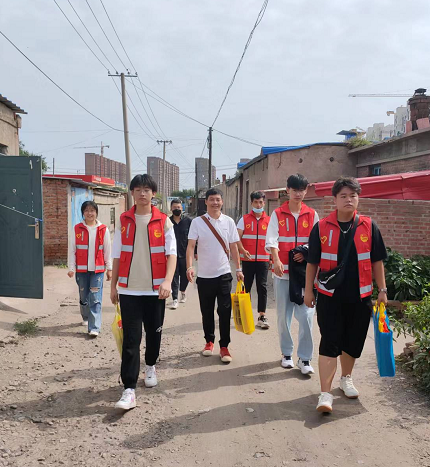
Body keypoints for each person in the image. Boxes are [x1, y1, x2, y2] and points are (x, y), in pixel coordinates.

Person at [304, 176, 388, 413]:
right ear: (335, 199)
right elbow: (312, 262)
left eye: (353, 195)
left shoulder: (369, 226)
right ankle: (325, 393)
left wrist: (382, 290)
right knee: (330, 341)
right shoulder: (321, 227)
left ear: (358, 198)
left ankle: (346, 378)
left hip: (360, 296)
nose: (349, 200)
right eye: (343, 196)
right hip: (329, 297)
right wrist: (308, 290)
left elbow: (377, 261)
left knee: (352, 341)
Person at [110, 174, 177, 411]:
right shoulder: (124, 220)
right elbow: (117, 254)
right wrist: (113, 286)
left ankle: (150, 365)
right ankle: (129, 389)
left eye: (146, 190)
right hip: (129, 289)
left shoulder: (164, 221)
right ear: (132, 193)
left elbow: (172, 254)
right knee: (131, 339)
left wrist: (167, 281)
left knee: (154, 333)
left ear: (153, 193)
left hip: (156, 290)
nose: (142, 194)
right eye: (137, 189)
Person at [266, 174, 319, 375]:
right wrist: (276, 259)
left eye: (301, 190)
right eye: (294, 190)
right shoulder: (277, 214)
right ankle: (286, 353)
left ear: (306, 191)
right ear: (287, 190)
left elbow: (316, 241)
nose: (298, 194)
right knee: (283, 316)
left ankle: (305, 358)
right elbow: (272, 239)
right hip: (283, 274)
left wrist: (305, 251)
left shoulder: (312, 214)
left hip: (305, 275)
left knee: (306, 316)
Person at [186, 188, 244, 363]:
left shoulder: (229, 222)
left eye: (218, 199)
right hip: (204, 275)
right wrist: (190, 266)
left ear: (222, 202)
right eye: (211, 199)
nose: (215, 203)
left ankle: (224, 346)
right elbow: (191, 246)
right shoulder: (197, 222)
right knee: (207, 311)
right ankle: (209, 342)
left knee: (225, 311)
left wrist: (238, 269)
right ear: (206, 202)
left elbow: (234, 247)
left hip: (224, 274)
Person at [68, 200, 112, 337]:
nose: (89, 213)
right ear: (83, 213)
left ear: (96, 212)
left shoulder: (103, 230)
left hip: (98, 271)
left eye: (92, 210)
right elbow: (72, 250)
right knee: (84, 296)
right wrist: (71, 268)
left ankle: (94, 327)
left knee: (95, 297)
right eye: (86, 210)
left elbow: (107, 250)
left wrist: (109, 268)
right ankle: (86, 317)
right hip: (81, 270)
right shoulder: (77, 229)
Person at [236, 191, 271, 329]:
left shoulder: (269, 221)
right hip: (247, 260)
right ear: (251, 203)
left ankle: (262, 315)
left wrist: (272, 259)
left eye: (261, 202)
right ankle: (245, 313)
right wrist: (242, 250)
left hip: (263, 260)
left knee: (262, 287)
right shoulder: (244, 219)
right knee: (246, 287)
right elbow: (237, 238)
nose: (258, 205)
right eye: (256, 202)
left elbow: (273, 241)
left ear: (264, 203)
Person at [169, 198, 192, 310]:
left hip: (185, 254)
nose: (177, 209)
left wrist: (195, 252)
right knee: (174, 277)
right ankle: (174, 299)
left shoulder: (188, 221)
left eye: (178, 207)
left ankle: (183, 291)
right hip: (172, 255)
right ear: (171, 209)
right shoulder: (168, 222)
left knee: (185, 276)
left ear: (182, 208)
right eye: (174, 207)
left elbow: (193, 238)